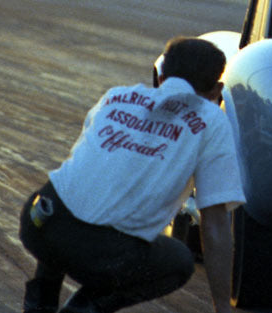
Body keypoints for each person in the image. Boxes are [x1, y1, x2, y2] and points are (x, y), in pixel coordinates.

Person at [19, 36, 245, 313]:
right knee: (179, 262)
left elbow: (82, 169)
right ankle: (87, 306)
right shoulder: (211, 120)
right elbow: (215, 224)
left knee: (74, 195)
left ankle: (40, 301)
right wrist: (222, 306)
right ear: (216, 90)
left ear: (161, 76)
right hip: (100, 255)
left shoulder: (115, 97)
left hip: (39, 222)